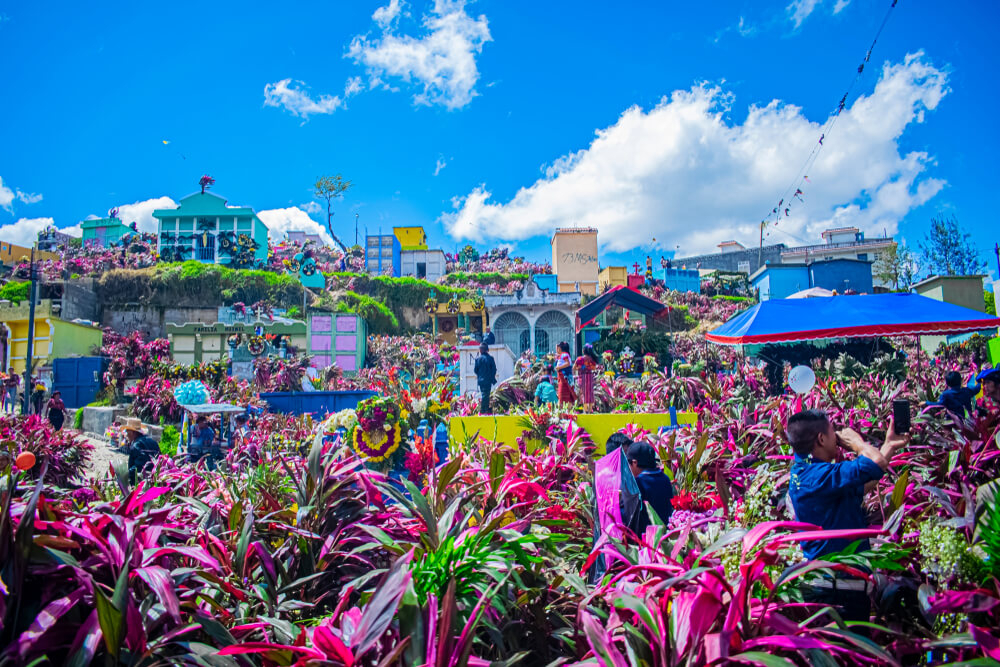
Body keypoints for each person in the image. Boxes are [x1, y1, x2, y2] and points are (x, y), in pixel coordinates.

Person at [786, 409, 908, 624]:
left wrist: (889, 445)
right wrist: (857, 443)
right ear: (821, 439)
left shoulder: (807, 472)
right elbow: (875, 463)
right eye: (834, 432)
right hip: (836, 589)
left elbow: (863, 483)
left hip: (832, 585)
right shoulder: (819, 475)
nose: (838, 437)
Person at [626, 441, 674, 535]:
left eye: (629, 464)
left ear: (635, 463)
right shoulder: (665, 478)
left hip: (648, 538)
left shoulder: (638, 483)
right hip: (666, 534)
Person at [125, 418, 160, 482]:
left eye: (127, 432)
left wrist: (126, 474)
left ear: (132, 432)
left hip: (141, 481)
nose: (126, 435)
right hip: (155, 478)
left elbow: (138, 467)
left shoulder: (136, 445)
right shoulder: (153, 442)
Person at [574, 344, 600, 408]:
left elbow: (574, 368)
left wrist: (579, 368)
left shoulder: (579, 359)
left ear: (583, 351)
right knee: (590, 393)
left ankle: (585, 410)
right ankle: (590, 410)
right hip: (590, 377)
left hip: (582, 377)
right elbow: (594, 368)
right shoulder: (592, 359)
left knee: (583, 393)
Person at [474, 343, 497, 414]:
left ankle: (484, 409)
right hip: (488, 380)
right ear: (487, 350)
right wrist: (491, 377)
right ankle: (483, 410)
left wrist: (480, 375)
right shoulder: (490, 359)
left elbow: (475, 370)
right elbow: (494, 370)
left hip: (481, 380)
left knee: (485, 394)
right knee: (486, 395)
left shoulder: (478, 359)